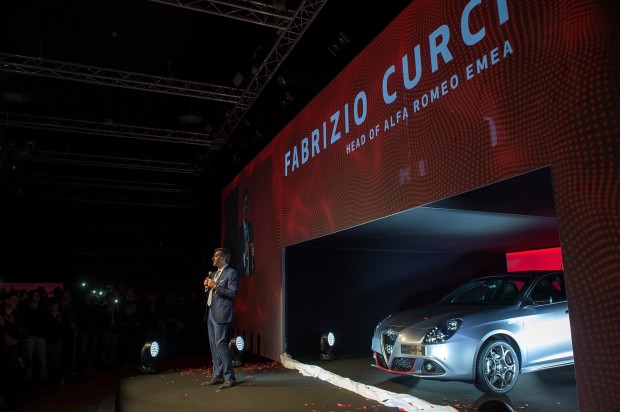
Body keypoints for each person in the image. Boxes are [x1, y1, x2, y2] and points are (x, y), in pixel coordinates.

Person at [202, 248, 239, 389]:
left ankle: (229, 377)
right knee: (213, 345)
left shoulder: (231, 273)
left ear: (223, 258)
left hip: (222, 313)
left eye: (216, 256)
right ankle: (217, 375)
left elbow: (232, 292)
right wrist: (207, 286)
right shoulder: (214, 274)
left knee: (220, 344)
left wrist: (215, 286)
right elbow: (212, 294)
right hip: (211, 312)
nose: (213, 258)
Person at [236, 188, 255, 275]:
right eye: (244, 204)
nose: (246, 207)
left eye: (247, 203)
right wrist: (245, 255)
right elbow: (235, 266)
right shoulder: (237, 233)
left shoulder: (252, 227)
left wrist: (253, 257)